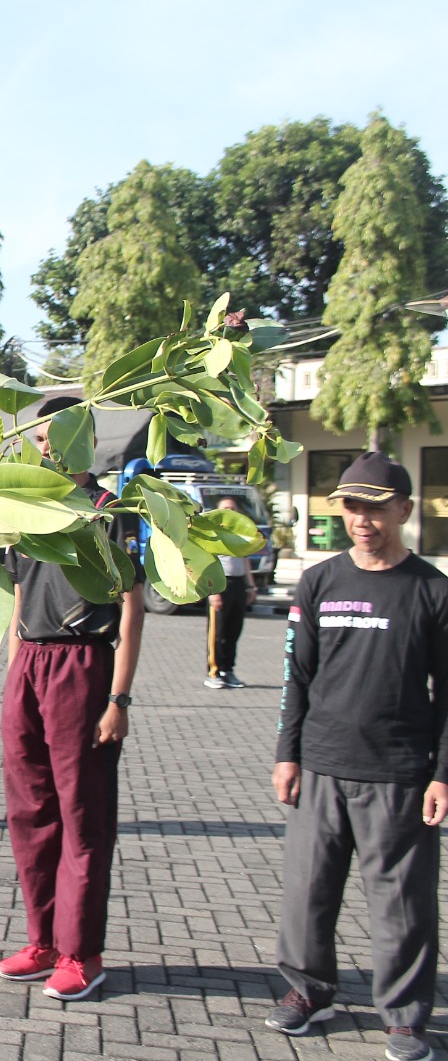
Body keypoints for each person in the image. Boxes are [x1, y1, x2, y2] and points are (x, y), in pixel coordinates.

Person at [265, 452, 448, 1061]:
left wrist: (442, 775)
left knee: (402, 905)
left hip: (398, 773)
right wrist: (288, 754)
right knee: (308, 893)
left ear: (405, 510)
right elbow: (297, 676)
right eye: (351, 506)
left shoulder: (432, 590)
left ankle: (405, 1017)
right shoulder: (320, 582)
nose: (362, 519)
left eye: (376, 508)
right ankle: (308, 992)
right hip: (320, 766)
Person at [0, 395, 144, 1001]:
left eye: (58, 436)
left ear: (86, 439)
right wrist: (14, 678)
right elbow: (15, 600)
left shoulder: (108, 511)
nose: (48, 447)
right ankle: (44, 941)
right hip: (29, 665)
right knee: (30, 812)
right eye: (39, 438)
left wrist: (119, 698)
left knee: (83, 814)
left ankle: (83, 952)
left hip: (83, 664)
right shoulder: (27, 512)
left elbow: (132, 607)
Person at [203, 495, 257, 689]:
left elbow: (245, 560)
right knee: (217, 632)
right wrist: (212, 591)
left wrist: (250, 586)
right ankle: (214, 672)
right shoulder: (212, 533)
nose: (230, 512)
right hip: (220, 584)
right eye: (226, 508)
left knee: (234, 630)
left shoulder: (240, 534)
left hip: (238, 584)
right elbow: (206, 562)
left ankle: (228, 670)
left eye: (233, 509)